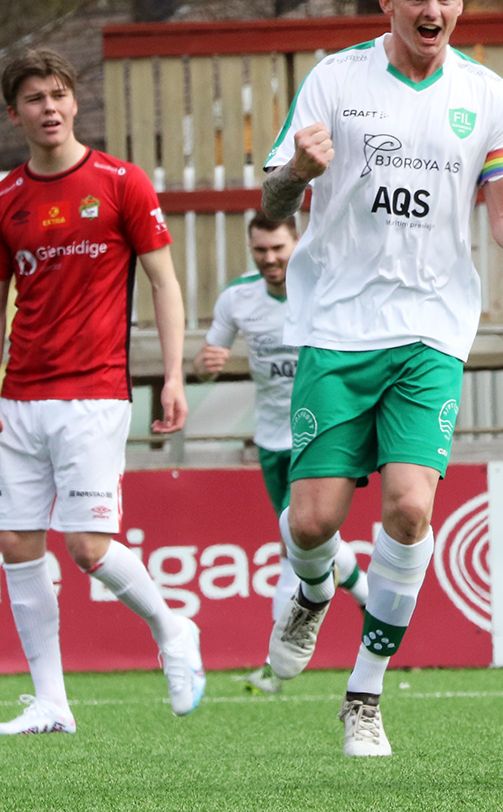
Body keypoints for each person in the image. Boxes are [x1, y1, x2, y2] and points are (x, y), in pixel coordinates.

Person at [259, 0, 503, 757]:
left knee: (408, 506)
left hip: (432, 330)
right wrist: (296, 168)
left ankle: (363, 697)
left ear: (460, 5)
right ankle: (308, 588)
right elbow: (270, 202)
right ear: (387, 4)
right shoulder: (335, 80)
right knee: (312, 520)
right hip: (334, 328)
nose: (432, 11)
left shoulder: (488, 95)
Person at [0, 48, 204, 735]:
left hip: (95, 394)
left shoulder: (122, 183)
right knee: (17, 542)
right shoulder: (1, 202)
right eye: (34, 98)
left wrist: (175, 376)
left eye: (58, 95)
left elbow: (164, 284)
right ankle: (52, 702)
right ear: (15, 115)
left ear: (75, 104)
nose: (49, 108)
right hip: (20, 399)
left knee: (88, 548)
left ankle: (172, 628)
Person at [194, 215, 368, 695]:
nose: (270, 259)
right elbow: (207, 358)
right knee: (307, 541)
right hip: (272, 440)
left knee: (295, 546)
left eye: (278, 248)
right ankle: (369, 601)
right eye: (261, 251)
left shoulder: (325, 285)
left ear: (298, 241)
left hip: (323, 430)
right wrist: (205, 365)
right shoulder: (238, 299)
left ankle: (276, 665)